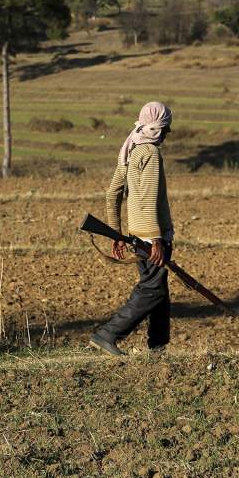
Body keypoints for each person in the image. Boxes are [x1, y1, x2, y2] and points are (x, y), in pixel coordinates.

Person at [90, 101, 174, 356]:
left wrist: (116, 233)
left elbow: (112, 193)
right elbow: (147, 197)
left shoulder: (131, 149)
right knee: (152, 289)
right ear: (159, 127)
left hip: (140, 233)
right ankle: (107, 334)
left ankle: (158, 346)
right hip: (150, 236)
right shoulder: (149, 153)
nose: (169, 132)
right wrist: (155, 239)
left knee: (158, 288)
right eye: (167, 126)